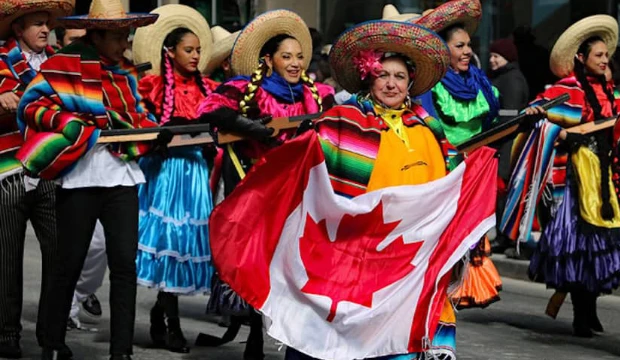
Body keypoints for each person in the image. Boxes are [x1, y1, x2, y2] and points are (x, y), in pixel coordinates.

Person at [282, 17, 454, 360]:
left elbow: (446, 190)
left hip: (407, 255)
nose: (391, 84)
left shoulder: (429, 131)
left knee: (396, 337)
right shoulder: (341, 122)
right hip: (351, 247)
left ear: (411, 83)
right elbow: (307, 173)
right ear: (369, 77)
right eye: (383, 75)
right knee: (337, 329)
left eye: (400, 77)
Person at [15, 0, 160, 358]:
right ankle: (51, 342)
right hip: (79, 178)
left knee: (125, 265)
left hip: (122, 178)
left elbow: (138, 116)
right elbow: (31, 107)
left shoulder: (126, 72)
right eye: (116, 37)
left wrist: (150, 133)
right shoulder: (62, 65)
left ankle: (121, 351)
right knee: (69, 263)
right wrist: (75, 127)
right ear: (96, 34)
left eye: (126, 36)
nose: (123, 44)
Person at [196, 9, 334, 360]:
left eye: (299, 56)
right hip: (257, 191)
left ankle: (295, 342)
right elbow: (210, 108)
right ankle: (255, 338)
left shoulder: (315, 93)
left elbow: (335, 120)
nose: (294, 62)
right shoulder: (246, 88)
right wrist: (254, 128)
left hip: (298, 194)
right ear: (269, 59)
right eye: (286, 56)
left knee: (293, 269)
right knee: (258, 265)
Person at [505, 15, 620, 338]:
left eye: (607, 56)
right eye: (598, 55)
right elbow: (535, 119)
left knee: (604, 246)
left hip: (606, 177)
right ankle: (581, 311)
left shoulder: (613, 94)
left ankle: (589, 309)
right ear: (581, 58)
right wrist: (546, 125)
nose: (605, 61)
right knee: (578, 246)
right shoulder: (565, 91)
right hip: (575, 181)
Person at [131, 4, 220, 354]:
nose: (196, 56)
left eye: (199, 50)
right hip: (167, 175)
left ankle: (160, 313)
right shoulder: (152, 86)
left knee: (186, 246)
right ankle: (172, 324)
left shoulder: (209, 88)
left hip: (195, 174)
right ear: (170, 52)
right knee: (170, 241)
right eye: (189, 50)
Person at [414, 0, 503, 310]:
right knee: (441, 243)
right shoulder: (430, 85)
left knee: (467, 242)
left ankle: (454, 296)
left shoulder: (479, 81)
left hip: (474, 173)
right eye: (459, 46)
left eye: (469, 45)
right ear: (442, 49)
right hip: (443, 171)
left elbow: (492, 126)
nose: (467, 51)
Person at [0, 1, 74, 358]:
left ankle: (52, 336)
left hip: (50, 171)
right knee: (7, 259)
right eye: (36, 24)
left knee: (60, 256)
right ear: (17, 29)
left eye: (47, 23)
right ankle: (6, 334)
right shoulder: (0, 61)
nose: (46, 29)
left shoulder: (60, 65)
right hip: (9, 172)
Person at [487, 36, 530, 257]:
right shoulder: (502, 77)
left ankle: (506, 235)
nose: (492, 60)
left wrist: (491, 130)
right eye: (491, 55)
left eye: (496, 56)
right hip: (502, 142)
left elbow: (510, 115)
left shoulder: (511, 80)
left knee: (503, 188)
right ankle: (503, 235)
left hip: (507, 143)